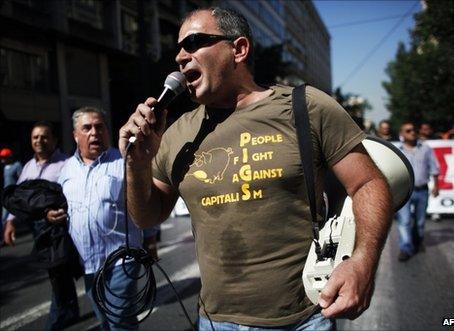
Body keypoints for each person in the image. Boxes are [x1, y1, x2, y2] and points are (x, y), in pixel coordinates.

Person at [120, 7, 393, 330]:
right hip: (215, 322)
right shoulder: (177, 133)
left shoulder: (307, 107)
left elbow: (368, 183)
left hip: (304, 318)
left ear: (239, 49)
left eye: (193, 42)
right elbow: (147, 216)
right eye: (178, 48)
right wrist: (137, 165)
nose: (180, 57)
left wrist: (362, 262)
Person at [48, 107, 145, 331]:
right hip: (88, 264)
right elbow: (59, 206)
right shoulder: (66, 170)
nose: (94, 132)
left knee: (120, 320)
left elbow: (143, 201)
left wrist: (149, 241)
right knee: (105, 322)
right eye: (87, 128)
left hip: (122, 259)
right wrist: (52, 215)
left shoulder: (123, 161)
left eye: (99, 127)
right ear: (75, 135)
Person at [2, 122, 79, 330]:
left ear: (54, 140)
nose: (39, 141)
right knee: (58, 272)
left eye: (44, 137)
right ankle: (71, 309)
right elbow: (18, 197)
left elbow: (75, 196)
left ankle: (56, 319)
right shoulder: (28, 167)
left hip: (61, 228)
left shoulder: (67, 164)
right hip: (39, 229)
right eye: (35, 137)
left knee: (58, 271)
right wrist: (10, 222)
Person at [396, 122, 439, 262]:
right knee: (405, 221)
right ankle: (406, 248)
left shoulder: (425, 149)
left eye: (414, 129)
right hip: (405, 191)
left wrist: (436, 186)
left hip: (422, 191)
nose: (412, 132)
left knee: (420, 221)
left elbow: (434, 168)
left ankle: (417, 241)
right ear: (402, 134)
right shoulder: (398, 150)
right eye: (408, 130)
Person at [1, 148, 22, 233]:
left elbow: (21, 178)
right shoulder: (5, 168)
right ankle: (4, 235)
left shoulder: (17, 165)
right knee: (4, 216)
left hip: (14, 194)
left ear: (9, 157)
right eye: (2, 157)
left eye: (5, 157)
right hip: (6, 195)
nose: (3, 159)